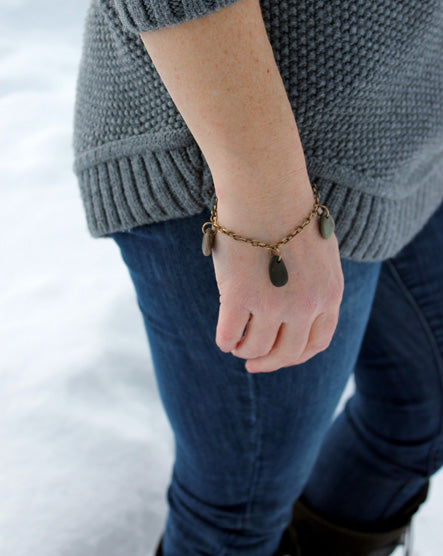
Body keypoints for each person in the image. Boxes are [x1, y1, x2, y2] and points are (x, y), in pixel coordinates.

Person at [72, 0, 443, 554]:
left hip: (405, 133)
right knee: (236, 517)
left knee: (422, 409)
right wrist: (271, 212)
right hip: (239, 164)